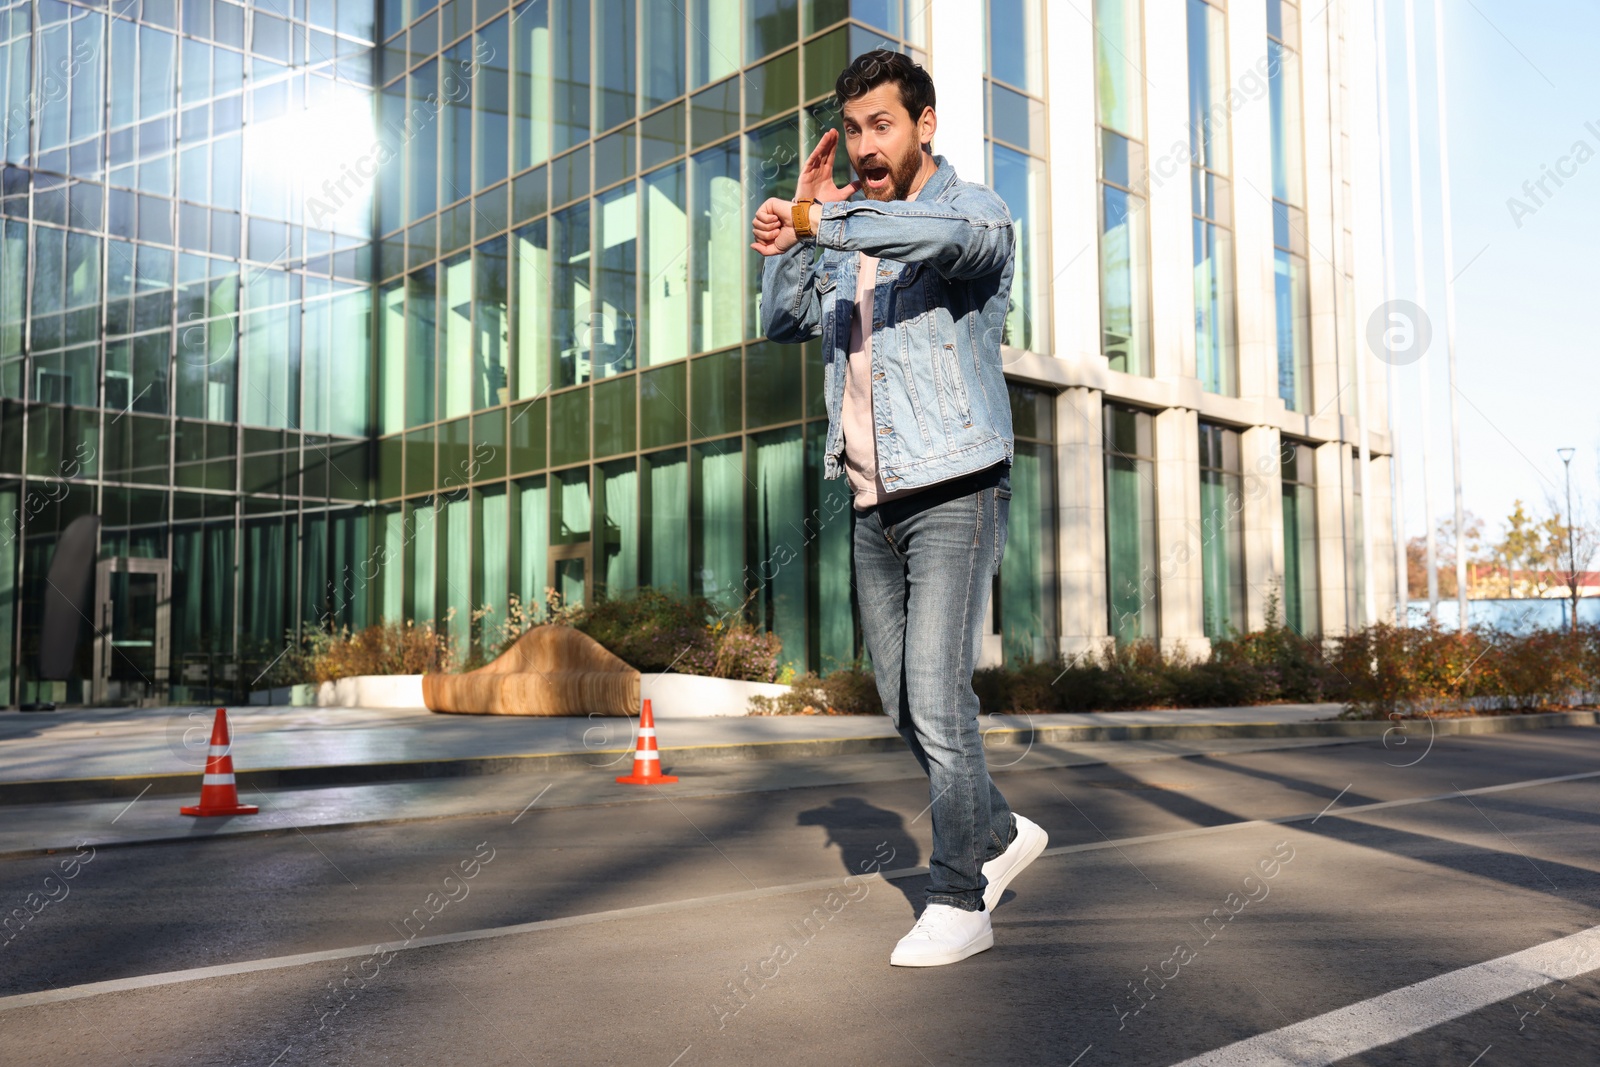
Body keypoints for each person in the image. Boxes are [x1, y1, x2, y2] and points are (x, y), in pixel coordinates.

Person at [751, 49, 1048, 968]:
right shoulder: (845, 232)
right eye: (852, 130)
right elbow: (781, 319)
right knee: (900, 703)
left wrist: (828, 218)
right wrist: (799, 237)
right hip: (870, 498)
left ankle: (961, 895)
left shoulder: (974, 211)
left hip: (956, 490)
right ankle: (1000, 830)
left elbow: (936, 241)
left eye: (882, 125)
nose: (865, 145)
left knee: (937, 692)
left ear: (924, 125)